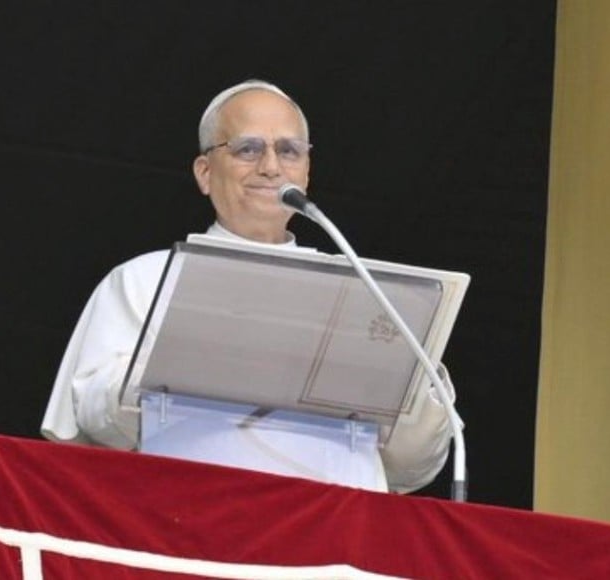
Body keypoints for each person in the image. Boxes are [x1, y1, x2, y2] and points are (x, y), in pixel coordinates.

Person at [41, 79, 456, 493]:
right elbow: (92, 423)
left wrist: (418, 395)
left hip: (337, 534)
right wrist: (189, 363)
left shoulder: (368, 294)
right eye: (248, 149)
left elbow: (410, 462)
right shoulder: (143, 280)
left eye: (289, 151)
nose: (271, 167)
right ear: (205, 172)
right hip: (193, 521)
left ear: (307, 172)